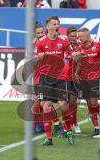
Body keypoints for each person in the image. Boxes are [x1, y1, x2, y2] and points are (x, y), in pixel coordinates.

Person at [35, 16, 74, 145]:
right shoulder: (40, 42)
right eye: (54, 24)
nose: (57, 25)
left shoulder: (63, 40)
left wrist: (74, 54)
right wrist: (39, 58)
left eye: (58, 24)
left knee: (63, 106)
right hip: (45, 79)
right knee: (45, 106)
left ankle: (68, 130)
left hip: (60, 78)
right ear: (48, 26)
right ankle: (49, 138)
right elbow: (35, 60)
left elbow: (71, 52)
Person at [74, 27, 100, 138]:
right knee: (89, 102)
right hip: (83, 79)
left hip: (95, 78)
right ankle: (97, 127)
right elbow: (79, 62)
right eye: (78, 37)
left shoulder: (97, 45)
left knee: (94, 102)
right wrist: (76, 72)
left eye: (81, 36)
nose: (79, 39)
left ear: (87, 35)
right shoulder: (79, 48)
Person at [64, 26, 82, 134]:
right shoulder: (64, 45)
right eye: (71, 36)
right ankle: (66, 124)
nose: (74, 38)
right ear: (67, 36)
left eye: (75, 36)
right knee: (64, 103)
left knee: (73, 102)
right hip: (64, 77)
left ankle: (74, 123)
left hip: (74, 77)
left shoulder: (79, 45)